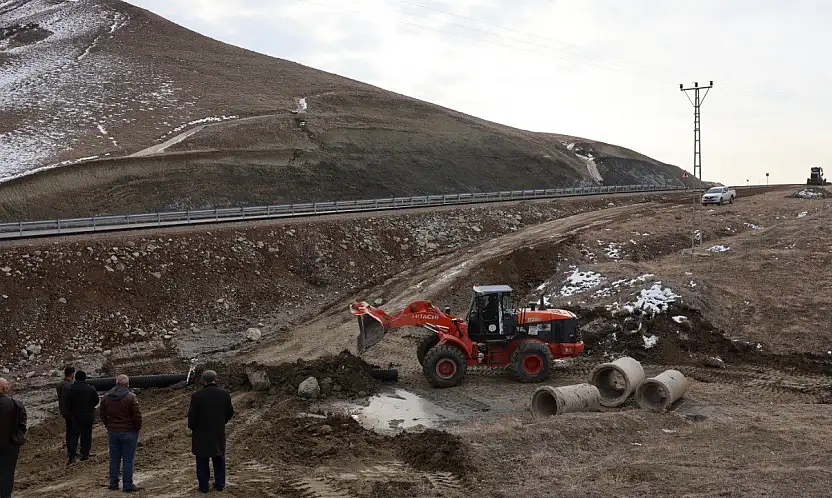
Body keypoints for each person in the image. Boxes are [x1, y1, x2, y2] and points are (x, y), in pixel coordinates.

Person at [188, 370, 234, 493]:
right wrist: (220, 423)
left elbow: (191, 420)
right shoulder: (225, 394)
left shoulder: (196, 396)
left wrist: (195, 429)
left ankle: (203, 487)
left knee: (202, 461)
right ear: (215, 380)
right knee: (219, 459)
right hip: (218, 433)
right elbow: (230, 413)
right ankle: (220, 484)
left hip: (201, 434)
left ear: (203, 381)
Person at [99, 375, 142, 493]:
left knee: (114, 459)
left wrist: (108, 426)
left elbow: (102, 414)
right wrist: (137, 428)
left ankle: (113, 483)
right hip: (128, 432)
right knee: (128, 459)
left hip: (113, 432)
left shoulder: (106, 397)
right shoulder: (131, 397)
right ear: (127, 384)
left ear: (116, 383)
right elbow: (137, 415)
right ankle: (127, 485)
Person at [63, 370, 99, 464]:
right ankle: (85, 454)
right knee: (87, 434)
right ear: (85, 378)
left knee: (74, 435)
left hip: (76, 415)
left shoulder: (71, 389)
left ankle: (72, 456)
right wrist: (90, 407)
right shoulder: (90, 388)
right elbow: (96, 400)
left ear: (75, 378)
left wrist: (72, 412)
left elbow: (67, 404)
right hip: (88, 415)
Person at [0, 378, 27, 498]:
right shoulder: (16, 403)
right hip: (10, 444)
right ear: (4, 388)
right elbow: (22, 424)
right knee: (7, 472)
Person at [56, 366, 75, 460]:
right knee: (73, 431)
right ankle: (72, 451)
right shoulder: (70, 385)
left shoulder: (60, 384)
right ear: (72, 374)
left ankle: (70, 449)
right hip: (71, 412)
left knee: (69, 431)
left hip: (64, 411)